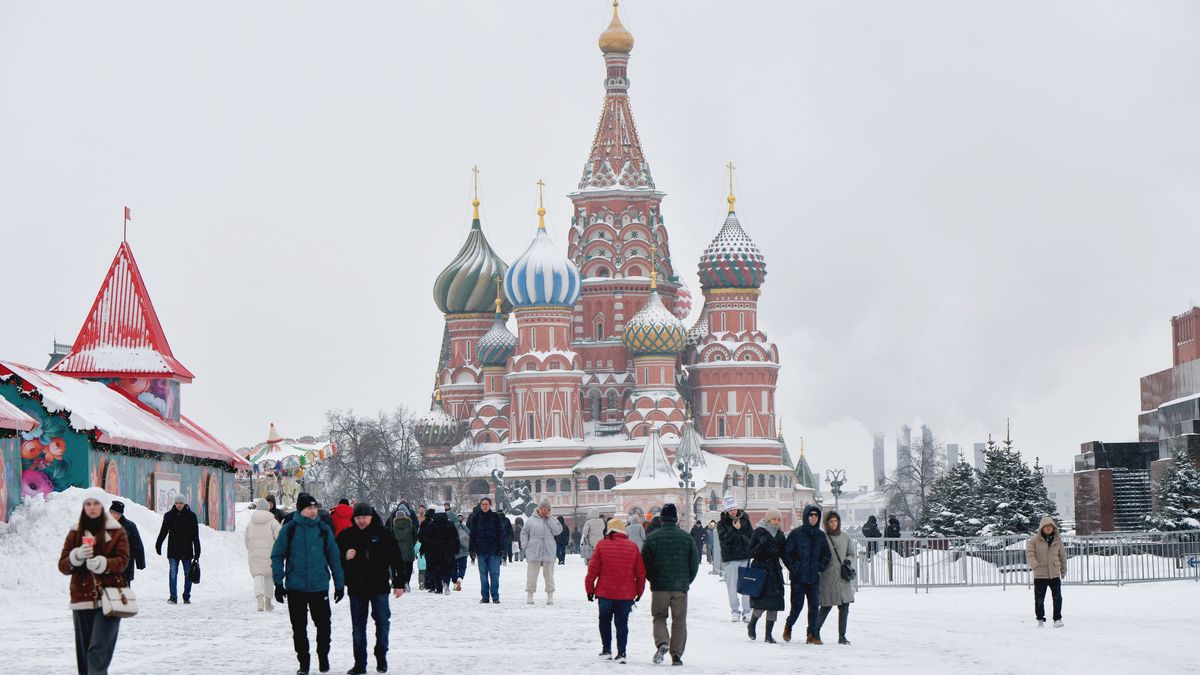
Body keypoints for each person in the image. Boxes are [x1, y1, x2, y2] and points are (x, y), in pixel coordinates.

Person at [272, 492, 346, 675]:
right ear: (300, 510)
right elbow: (277, 555)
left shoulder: (323, 529)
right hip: (295, 586)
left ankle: (323, 655)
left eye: (314, 507)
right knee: (299, 627)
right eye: (309, 508)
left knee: (324, 625)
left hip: (318, 585)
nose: (313, 511)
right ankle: (303, 662)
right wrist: (278, 583)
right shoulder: (289, 529)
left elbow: (334, 557)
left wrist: (339, 584)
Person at [59, 494, 131, 675]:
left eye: (96, 504)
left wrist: (104, 563)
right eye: (88, 504)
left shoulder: (116, 531)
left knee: (97, 653)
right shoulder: (75, 533)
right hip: (81, 599)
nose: (92, 507)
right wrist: (75, 557)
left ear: (102, 507)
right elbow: (63, 566)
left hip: (109, 600)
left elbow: (124, 560)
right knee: (84, 658)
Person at [337, 502, 409, 674]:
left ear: (371, 517)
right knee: (358, 627)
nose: (361, 521)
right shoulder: (347, 535)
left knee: (383, 623)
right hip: (357, 587)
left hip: (379, 586)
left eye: (365, 517)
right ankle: (360, 663)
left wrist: (399, 583)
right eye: (358, 518)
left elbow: (397, 559)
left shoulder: (382, 534)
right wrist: (345, 556)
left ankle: (381, 655)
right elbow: (334, 559)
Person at [642, 504, 699, 666]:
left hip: (660, 587)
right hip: (680, 587)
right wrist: (686, 581)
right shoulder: (686, 538)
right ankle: (677, 655)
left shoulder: (652, 538)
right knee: (679, 621)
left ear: (661, 519)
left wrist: (653, 579)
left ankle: (662, 643)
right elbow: (694, 563)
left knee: (659, 617)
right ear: (676, 519)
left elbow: (644, 563)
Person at [585, 517, 645, 664]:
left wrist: (589, 589)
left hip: (605, 593)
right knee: (622, 623)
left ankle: (606, 650)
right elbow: (640, 573)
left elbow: (593, 570)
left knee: (604, 621)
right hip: (626, 594)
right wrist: (639, 592)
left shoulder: (601, 545)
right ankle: (622, 653)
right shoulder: (632, 547)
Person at [783, 505, 829, 643]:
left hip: (813, 577)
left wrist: (819, 567)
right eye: (811, 515)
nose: (814, 517)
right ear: (805, 516)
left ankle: (811, 635)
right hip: (798, 578)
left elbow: (827, 554)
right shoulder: (796, 534)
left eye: (816, 515)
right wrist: (794, 568)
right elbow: (786, 554)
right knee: (797, 606)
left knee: (814, 607)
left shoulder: (821, 536)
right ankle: (788, 626)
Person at [746, 508, 786, 644]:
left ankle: (768, 634)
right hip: (761, 570)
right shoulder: (758, 532)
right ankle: (752, 624)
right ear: (768, 519)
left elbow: (784, 554)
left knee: (774, 604)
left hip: (774, 571)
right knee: (761, 603)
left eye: (779, 519)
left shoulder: (780, 535)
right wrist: (761, 545)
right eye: (774, 518)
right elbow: (750, 553)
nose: (776, 521)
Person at [816, 510, 855, 645]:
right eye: (831, 521)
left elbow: (851, 553)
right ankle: (815, 632)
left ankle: (842, 636)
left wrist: (848, 561)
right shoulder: (822, 537)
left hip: (842, 577)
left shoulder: (845, 537)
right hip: (828, 577)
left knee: (844, 608)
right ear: (827, 523)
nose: (834, 524)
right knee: (826, 606)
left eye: (836, 521)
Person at [155, 493, 200, 604]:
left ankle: (186, 596)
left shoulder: (191, 516)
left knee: (188, 574)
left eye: (181, 503)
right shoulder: (169, 516)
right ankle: (173, 597)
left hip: (187, 550)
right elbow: (163, 531)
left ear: (185, 503)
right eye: (176, 503)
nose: (178, 505)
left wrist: (197, 551)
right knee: (173, 573)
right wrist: (158, 544)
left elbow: (195, 535)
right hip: (173, 550)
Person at [1026, 515, 1067, 628]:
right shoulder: (1034, 540)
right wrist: (1034, 564)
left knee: (1057, 597)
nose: (1049, 528)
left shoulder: (1058, 540)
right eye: (1046, 527)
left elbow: (1062, 556)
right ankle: (1040, 619)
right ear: (1042, 528)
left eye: (1051, 526)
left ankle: (1057, 619)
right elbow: (1030, 553)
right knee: (1039, 599)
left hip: (1054, 573)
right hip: (1040, 574)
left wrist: (1063, 569)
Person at [717, 495, 753, 622]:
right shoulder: (721, 523)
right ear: (726, 510)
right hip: (730, 557)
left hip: (744, 556)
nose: (733, 511)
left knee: (746, 585)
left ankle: (747, 610)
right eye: (730, 509)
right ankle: (735, 610)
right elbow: (724, 540)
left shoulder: (745, 519)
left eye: (734, 508)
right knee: (732, 586)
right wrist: (734, 529)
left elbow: (751, 536)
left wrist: (740, 532)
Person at [521, 499, 563, 605]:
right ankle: (530, 594)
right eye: (542, 509)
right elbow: (524, 532)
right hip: (534, 548)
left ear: (549, 510)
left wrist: (549, 520)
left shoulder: (552, 519)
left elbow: (558, 531)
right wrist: (525, 545)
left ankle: (550, 595)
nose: (543, 511)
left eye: (546, 510)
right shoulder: (531, 520)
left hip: (548, 548)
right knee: (532, 574)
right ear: (538, 509)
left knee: (549, 574)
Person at [245, 497, 282, 611]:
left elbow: (247, 539)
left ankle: (259, 600)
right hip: (270, 553)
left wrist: (251, 549)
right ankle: (268, 602)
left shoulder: (251, 523)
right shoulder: (273, 522)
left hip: (254, 554)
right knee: (268, 577)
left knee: (258, 576)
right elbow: (280, 538)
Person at [467, 497, 505, 603]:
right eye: (483, 504)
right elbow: (472, 534)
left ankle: (495, 596)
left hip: (494, 550)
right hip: (481, 550)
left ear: (490, 505)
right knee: (483, 575)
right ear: (480, 505)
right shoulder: (476, 517)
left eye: (486, 504)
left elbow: (500, 534)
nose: (484, 506)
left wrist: (502, 548)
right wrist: (472, 549)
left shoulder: (495, 517)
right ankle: (485, 596)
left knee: (494, 574)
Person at [417, 506, 459, 595]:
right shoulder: (449, 524)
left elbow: (426, 539)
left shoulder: (431, 525)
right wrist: (456, 548)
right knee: (446, 568)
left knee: (436, 570)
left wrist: (423, 549)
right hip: (447, 550)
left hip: (434, 551)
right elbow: (455, 537)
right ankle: (446, 583)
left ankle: (439, 588)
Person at [108, 501, 145, 585]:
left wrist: (140, 562)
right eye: (110, 512)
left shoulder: (130, 526)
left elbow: (137, 545)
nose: (110, 514)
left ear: (118, 514)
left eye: (112, 512)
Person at [390, 502, 417, 591]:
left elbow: (391, 538)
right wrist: (412, 544)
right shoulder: (410, 524)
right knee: (408, 567)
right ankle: (407, 582)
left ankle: (400, 583)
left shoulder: (393, 527)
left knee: (399, 568)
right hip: (409, 549)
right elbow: (415, 536)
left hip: (397, 551)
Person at [454, 513, 470, 591]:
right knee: (462, 567)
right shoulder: (465, 527)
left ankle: (455, 582)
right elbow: (470, 534)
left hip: (455, 551)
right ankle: (460, 578)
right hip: (464, 551)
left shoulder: (453, 527)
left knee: (454, 567)